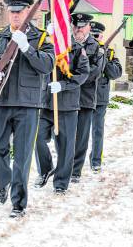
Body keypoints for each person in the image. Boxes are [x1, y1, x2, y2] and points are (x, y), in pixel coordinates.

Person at [0, 0, 55, 218]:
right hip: (1, 101)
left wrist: (27, 48)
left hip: (28, 105)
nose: (15, 16)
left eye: (20, 11)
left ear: (29, 12)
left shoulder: (40, 38)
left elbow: (46, 66)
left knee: (22, 156)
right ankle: (5, 181)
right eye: (12, 12)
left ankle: (18, 204)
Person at [34, 32, 90, 195]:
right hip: (45, 102)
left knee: (65, 146)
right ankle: (45, 169)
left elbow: (83, 73)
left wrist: (63, 85)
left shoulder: (77, 49)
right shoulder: (46, 45)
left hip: (67, 104)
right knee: (37, 138)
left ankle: (61, 181)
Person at [70, 13, 104, 183]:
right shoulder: (65, 44)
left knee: (81, 137)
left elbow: (93, 74)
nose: (79, 29)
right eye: (76, 26)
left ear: (89, 27)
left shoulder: (97, 48)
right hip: (66, 98)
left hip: (86, 98)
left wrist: (72, 77)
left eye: (82, 26)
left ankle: (75, 171)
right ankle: (63, 166)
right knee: (65, 136)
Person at [89, 21, 122, 172]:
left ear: (102, 36)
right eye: (92, 35)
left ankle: (96, 161)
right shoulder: (84, 50)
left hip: (100, 98)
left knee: (97, 131)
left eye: (97, 35)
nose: (95, 38)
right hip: (83, 96)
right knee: (78, 132)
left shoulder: (109, 53)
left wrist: (104, 58)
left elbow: (116, 73)